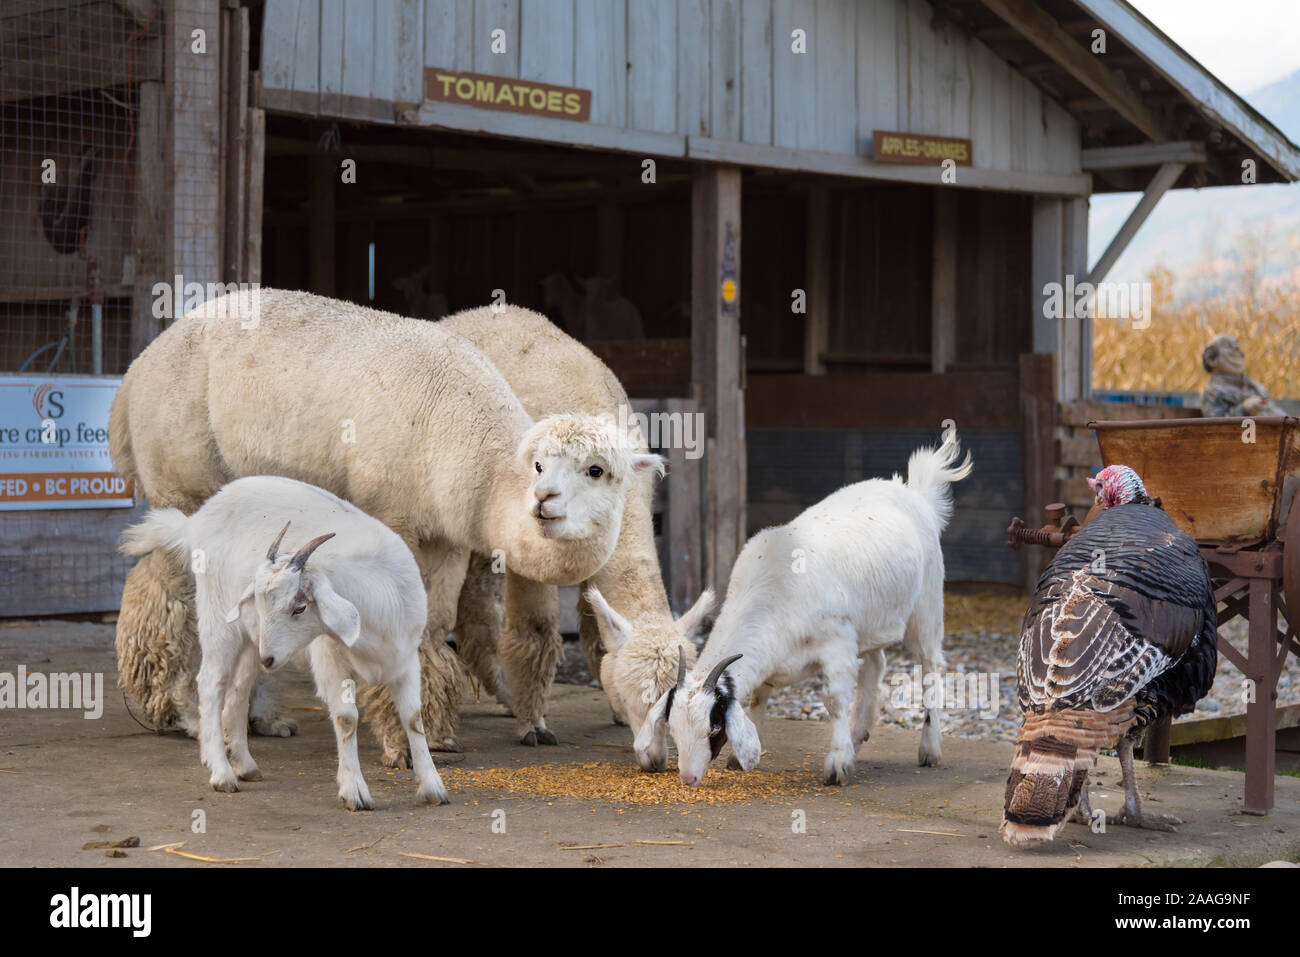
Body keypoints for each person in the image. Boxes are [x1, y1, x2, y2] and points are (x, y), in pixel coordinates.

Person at [1199, 333, 1283, 417]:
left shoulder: (1255, 387)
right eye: (1229, 346)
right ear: (1211, 358)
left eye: (1237, 345)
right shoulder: (1213, 392)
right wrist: (1244, 409)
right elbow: (1215, 424)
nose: (1238, 349)